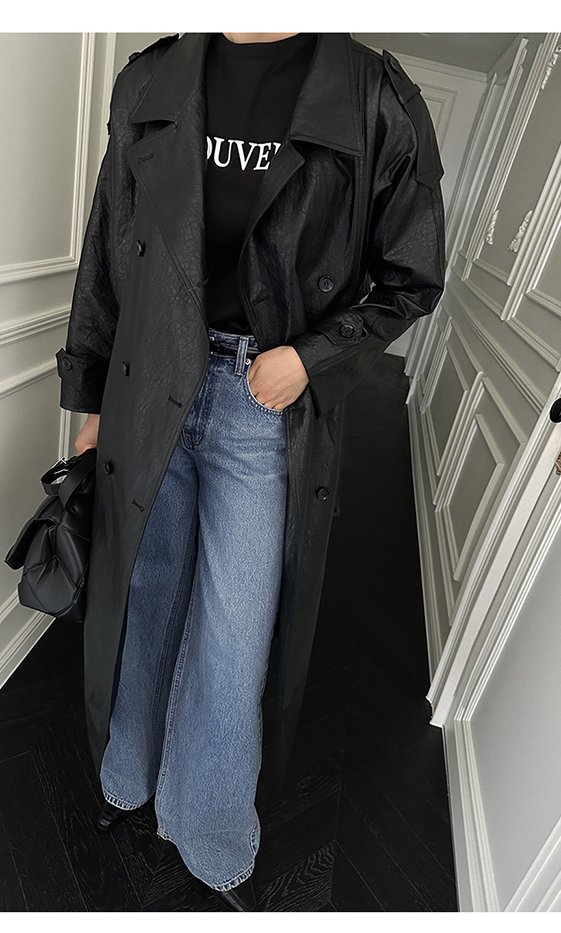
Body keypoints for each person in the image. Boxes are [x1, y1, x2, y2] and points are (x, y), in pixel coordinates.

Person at [56, 31, 445, 912]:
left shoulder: (373, 96)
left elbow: (412, 276)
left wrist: (309, 357)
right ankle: (129, 772)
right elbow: (106, 255)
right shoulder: (152, 78)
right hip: (149, 380)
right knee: (146, 590)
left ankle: (207, 825)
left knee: (235, 626)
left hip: (260, 400)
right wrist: (90, 402)